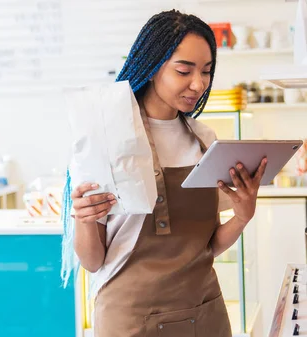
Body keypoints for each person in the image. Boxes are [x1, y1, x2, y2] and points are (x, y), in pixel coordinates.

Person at [61, 9, 267, 337]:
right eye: (184, 70)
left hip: (204, 312)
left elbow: (207, 248)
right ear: (152, 65)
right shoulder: (107, 139)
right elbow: (92, 261)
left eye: (206, 71)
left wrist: (242, 217)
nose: (198, 84)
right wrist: (84, 219)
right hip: (129, 319)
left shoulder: (204, 142)